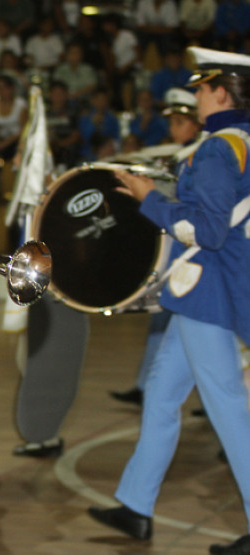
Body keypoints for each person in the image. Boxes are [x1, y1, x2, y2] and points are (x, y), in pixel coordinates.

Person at [87, 47, 250, 555]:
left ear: (220, 91)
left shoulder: (220, 148)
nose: (196, 97)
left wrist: (146, 197)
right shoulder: (237, 141)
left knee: (228, 409)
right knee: (161, 397)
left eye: (201, 89)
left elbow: (209, 231)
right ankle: (136, 506)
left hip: (209, 291)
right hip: (200, 293)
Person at [109, 86, 203, 408]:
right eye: (172, 123)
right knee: (162, 322)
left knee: (199, 330)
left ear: (195, 124)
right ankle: (147, 386)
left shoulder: (203, 154)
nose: (174, 130)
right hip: (176, 251)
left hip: (195, 253)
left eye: (180, 122)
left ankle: (200, 396)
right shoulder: (181, 155)